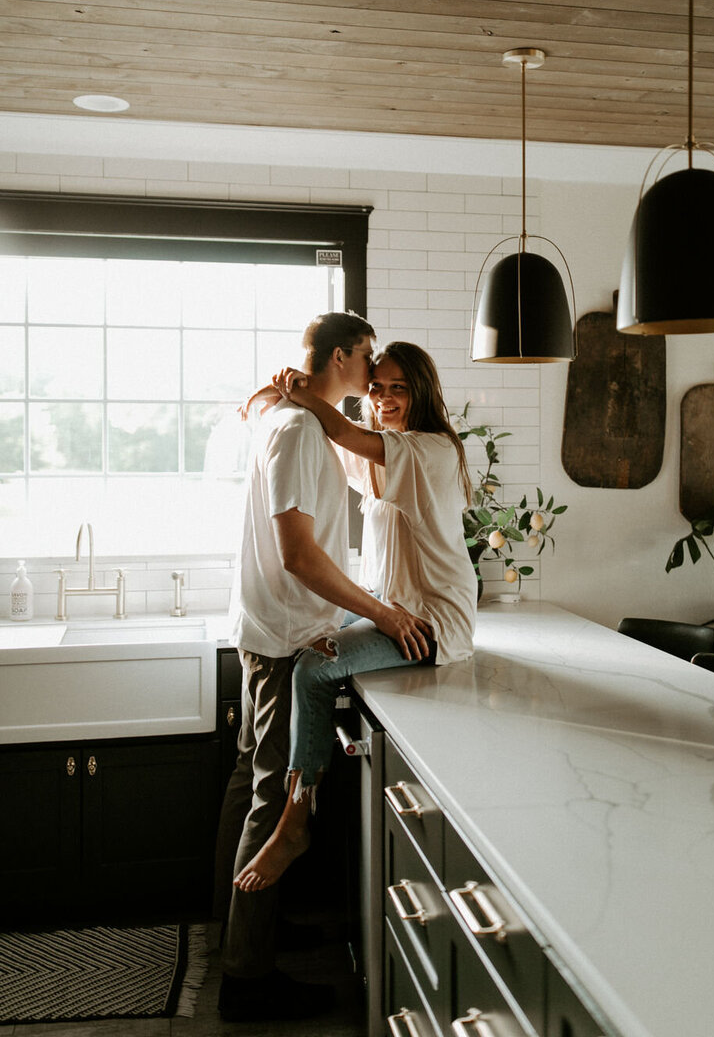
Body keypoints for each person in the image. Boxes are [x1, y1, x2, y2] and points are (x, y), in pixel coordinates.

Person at [214, 314, 433, 1024]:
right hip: (283, 638)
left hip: (262, 625)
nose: (372, 375)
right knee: (273, 797)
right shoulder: (302, 431)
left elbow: (253, 406)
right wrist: (385, 612)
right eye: (367, 358)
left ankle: (250, 929)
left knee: (251, 776)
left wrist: (290, 386)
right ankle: (247, 976)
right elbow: (302, 556)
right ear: (341, 355)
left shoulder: (280, 413)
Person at [232, 341, 476, 895]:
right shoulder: (378, 455)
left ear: (422, 394)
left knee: (311, 670)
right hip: (398, 608)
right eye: (377, 387)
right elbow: (302, 427)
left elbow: (340, 432)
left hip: (435, 620)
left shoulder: (429, 448)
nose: (385, 399)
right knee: (314, 641)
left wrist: (305, 392)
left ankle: (294, 823)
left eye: (399, 389)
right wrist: (278, 390)